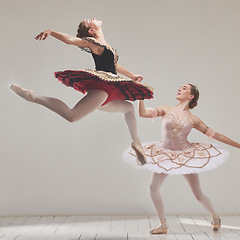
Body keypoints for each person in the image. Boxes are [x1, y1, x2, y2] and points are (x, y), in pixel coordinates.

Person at [10, 18, 153, 165]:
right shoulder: (93, 42)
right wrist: (52, 32)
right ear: (91, 31)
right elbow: (70, 40)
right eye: (89, 21)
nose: (91, 19)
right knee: (72, 116)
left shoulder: (106, 45)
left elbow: (114, 65)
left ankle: (137, 142)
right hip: (102, 88)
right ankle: (31, 96)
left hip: (109, 92)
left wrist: (132, 75)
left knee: (129, 108)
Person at [124, 84, 240, 233]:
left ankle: (215, 216)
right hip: (165, 153)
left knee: (198, 195)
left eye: (184, 88)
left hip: (186, 155)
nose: (179, 89)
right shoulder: (166, 109)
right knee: (153, 188)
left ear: (191, 96)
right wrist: (141, 97)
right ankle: (163, 225)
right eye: (180, 87)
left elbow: (216, 135)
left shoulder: (193, 119)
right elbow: (143, 114)